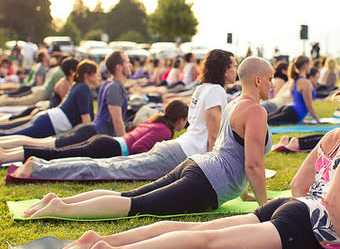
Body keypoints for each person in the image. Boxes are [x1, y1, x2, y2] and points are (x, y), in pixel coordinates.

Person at [39, 67, 340, 249]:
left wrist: (312, 210)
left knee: (195, 232)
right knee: (206, 243)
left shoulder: (337, 133)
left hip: (295, 210)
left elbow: (301, 187)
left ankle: (99, 242)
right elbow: (334, 199)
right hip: (304, 223)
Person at [19, 56, 273, 221]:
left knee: (130, 195)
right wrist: (264, 208)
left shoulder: (234, 103)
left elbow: (232, 152)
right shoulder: (255, 111)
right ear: (258, 79)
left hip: (198, 165)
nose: (272, 85)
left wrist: (247, 192)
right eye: (270, 79)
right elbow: (252, 164)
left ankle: (59, 201)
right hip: (207, 181)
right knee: (135, 205)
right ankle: (61, 209)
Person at [11, 49, 237, 181]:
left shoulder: (203, 88)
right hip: (179, 153)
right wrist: (211, 174)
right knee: (108, 169)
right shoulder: (216, 91)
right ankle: (39, 167)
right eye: (234, 66)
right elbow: (214, 137)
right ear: (223, 69)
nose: (236, 70)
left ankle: (39, 164)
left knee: (107, 166)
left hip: (175, 149)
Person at [0, 100, 188, 164]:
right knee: (57, 155)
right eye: (185, 120)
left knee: (58, 153)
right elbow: (139, 147)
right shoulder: (164, 130)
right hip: (109, 148)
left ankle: (9, 154)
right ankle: (7, 156)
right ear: (180, 119)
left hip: (106, 143)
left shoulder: (156, 121)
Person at [0, 59, 98, 138]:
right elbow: (86, 119)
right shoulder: (83, 88)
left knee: (11, 133)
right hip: (50, 122)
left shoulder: (78, 86)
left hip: (48, 119)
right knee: (12, 135)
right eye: (95, 73)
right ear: (86, 75)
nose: (98, 76)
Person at [268, 55, 320, 124]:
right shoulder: (306, 83)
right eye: (309, 64)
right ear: (305, 65)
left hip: (288, 108)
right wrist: (318, 121)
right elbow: (309, 106)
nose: (310, 67)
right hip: (293, 113)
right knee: (266, 121)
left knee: (266, 119)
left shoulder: (293, 81)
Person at [92, 51, 131, 137]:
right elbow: (117, 121)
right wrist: (123, 144)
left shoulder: (108, 83)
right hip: (101, 134)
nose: (130, 65)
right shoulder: (115, 87)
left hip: (97, 131)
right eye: (127, 62)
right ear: (119, 67)